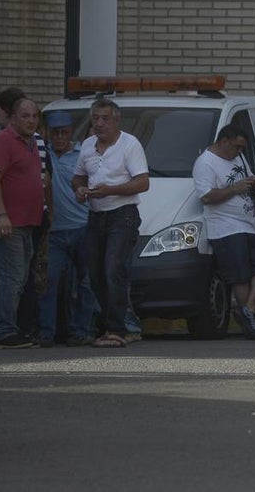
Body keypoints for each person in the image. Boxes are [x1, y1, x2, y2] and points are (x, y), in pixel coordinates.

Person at [73, 98, 150, 348]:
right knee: (94, 274)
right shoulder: (87, 145)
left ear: (117, 120)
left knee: (112, 270)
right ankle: (112, 324)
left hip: (122, 214)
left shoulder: (130, 144)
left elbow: (142, 183)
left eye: (105, 118)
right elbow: (77, 177)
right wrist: (80, 189)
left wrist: (111, 190)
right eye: (95, 118)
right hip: (96, 215)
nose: (99, 123)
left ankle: (116, 329)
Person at [192, 123, 255, 341]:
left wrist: (253, 183)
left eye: (242, 148)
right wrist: (235, 188)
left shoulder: (237, 158)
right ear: (223, 141)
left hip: (247, 223)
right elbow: (206, 197)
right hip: (224, 227)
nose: (239, 152)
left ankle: (248, 311)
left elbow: (245, 182)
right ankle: (250, 322)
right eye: (237, 147)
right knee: (240, 277)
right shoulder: (205, 163)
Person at [0, 98, 46, 348]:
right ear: (13, 118)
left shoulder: (30, 142)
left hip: (26, 224)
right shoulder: (2, 141)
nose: (31, 120)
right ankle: (4, 332)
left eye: (34, 116)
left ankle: (8, 328)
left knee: (18, 279)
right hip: (6, 224)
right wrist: (1, 214)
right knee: (11, 278)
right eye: (25, 116)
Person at [36, 112, 97, 347]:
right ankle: (46, 333)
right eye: (55, 133)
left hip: (83, 227)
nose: (60, 137)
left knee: (86, 283)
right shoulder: (43, 155)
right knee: (48, 283)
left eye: (64, 132)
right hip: (55, 232)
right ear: (48, 133)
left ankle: (81, 331)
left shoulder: (83, 154)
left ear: (71, 132)